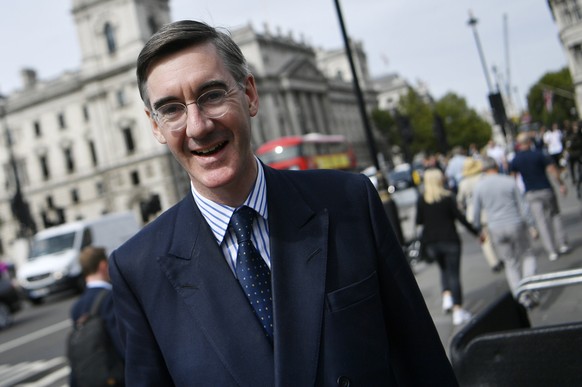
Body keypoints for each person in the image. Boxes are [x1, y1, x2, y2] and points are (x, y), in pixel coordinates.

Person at [108, 20, 458, 386]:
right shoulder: (138, 270)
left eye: (212, 95)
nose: (197, 126)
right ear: (154, 126)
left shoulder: (350, 202)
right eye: (172, 109)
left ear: (250, 95)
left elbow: (423, 362)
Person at [472, 157, 539, 308]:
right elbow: (523, 206)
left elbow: (475, 212)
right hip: (514, 222)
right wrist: (532, 225)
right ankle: (530, 286)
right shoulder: (508, 181)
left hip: (495, 227)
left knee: (510, 262)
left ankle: (520, 296)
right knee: (527, 255)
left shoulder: (480, 187)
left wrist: (478, 230)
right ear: (496, 166)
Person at [416, 168, 479, 326]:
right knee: (454, 275)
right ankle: (457, 310)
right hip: (450, 240)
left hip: (433, 243)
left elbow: (419, 222)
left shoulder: (422, 199)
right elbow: (460, 218)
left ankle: (446, 297)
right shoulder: (447, 197)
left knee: (443, 269)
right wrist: (476, 232)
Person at [510, 132, 569, 262]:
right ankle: (562, 243)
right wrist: (561, 184)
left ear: (519, 145)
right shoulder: (539, 154)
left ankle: (551, 250)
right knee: (555, 215)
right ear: (529, 142)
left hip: (531, 192)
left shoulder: (516, 159)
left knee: (541, 222)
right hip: (545, 188)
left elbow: (512, 178)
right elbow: (552, 170)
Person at [70, 246, 124, 386]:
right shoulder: (110, 298)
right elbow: (121, 342)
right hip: (115, 375)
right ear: (103, 265)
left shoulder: (77, 306)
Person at [456, 158, 503, 272]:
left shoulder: (463, 183)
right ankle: (501, 257)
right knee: (496, 235)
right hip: (487, 210)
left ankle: (493, 262)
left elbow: (460, 201)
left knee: (484, 240)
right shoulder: (483, 178)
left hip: (473, 214)